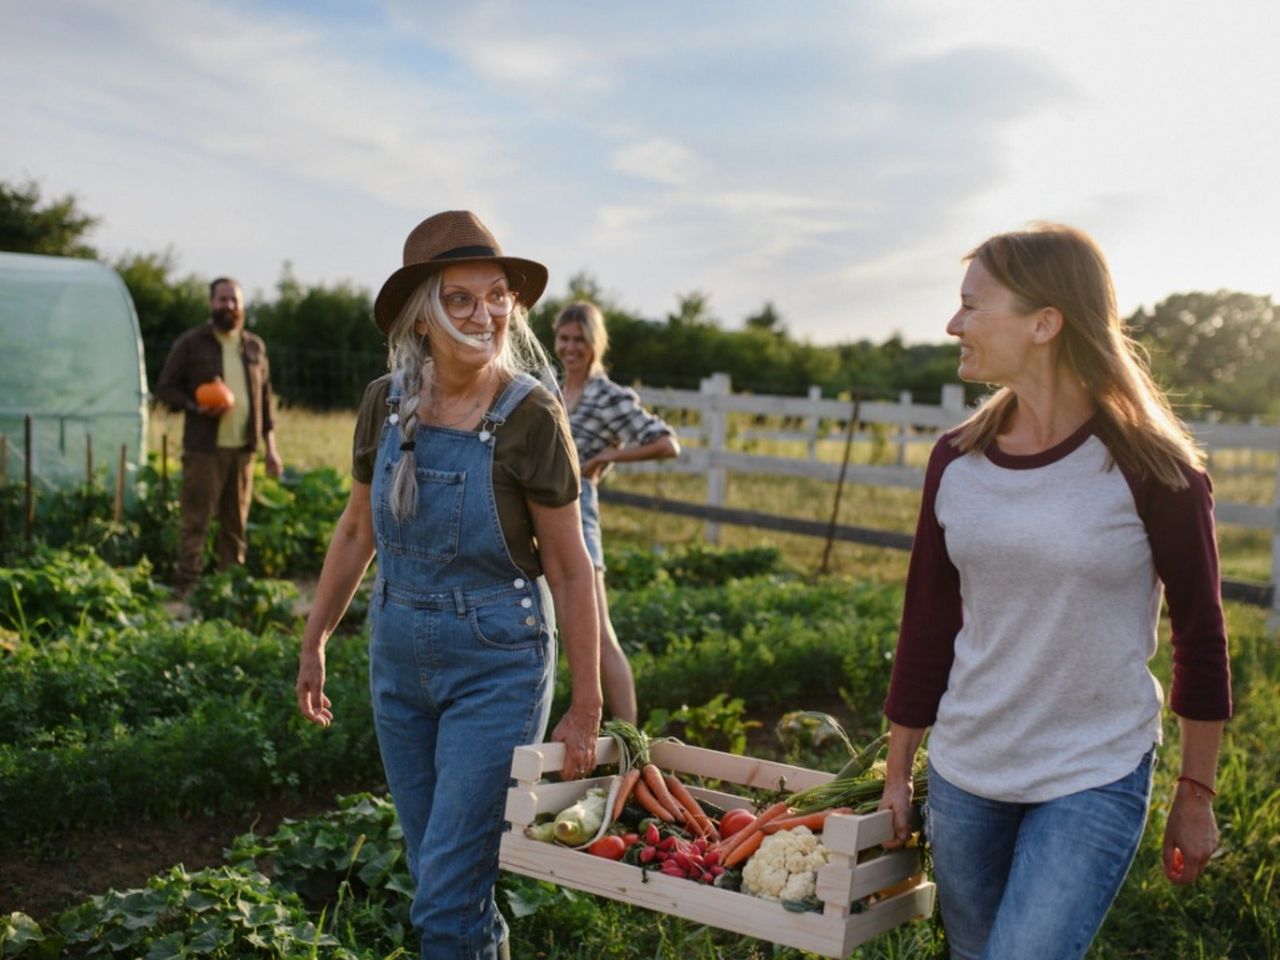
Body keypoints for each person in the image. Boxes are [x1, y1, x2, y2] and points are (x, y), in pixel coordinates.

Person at [877, 223, 1231, 960]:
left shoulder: (1152, 468)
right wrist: (897, 772)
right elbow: (927, 622)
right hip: (968, 770)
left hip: (1092, 771)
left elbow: (1202, 636)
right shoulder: (957, 461)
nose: (953, 324)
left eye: (972, 306)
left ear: (1044, 323)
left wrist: (1196, 795)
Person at [295, 211, 602, 960]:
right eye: (459, 299)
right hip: (397, 655)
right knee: (444, 874)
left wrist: (587, 701)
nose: (485, 314)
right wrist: (315, 639)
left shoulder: (530, 414)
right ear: (421, 319)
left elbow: (569, 565)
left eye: (497, 295)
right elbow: (355, 531)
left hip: (497, 660)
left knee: (444, 902)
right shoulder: (385, 401)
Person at [553, 301, 680, 723]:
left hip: (578, 514)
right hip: (538, 518)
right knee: (552, 633)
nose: (571, 348)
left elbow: (666, 443)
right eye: (564, 338)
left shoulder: (608, 395)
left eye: (580, 340)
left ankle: (631, 742)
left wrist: (609, 454)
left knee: (597, 632)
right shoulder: (549, 385)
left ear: (595, 344)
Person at [155, 276, 282, 595]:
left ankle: (228, 587)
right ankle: (188, 586)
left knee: (235, 523)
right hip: (204, 449)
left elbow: (265, 400)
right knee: (196, 519)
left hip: (243, 449)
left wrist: (271, 448)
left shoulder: (254, 345)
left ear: (242, 306)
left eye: (234, 300)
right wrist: (196, 407)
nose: (229, 305)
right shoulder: (192, 342)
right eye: (222, 299)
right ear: (211, 303)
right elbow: (166, 387)